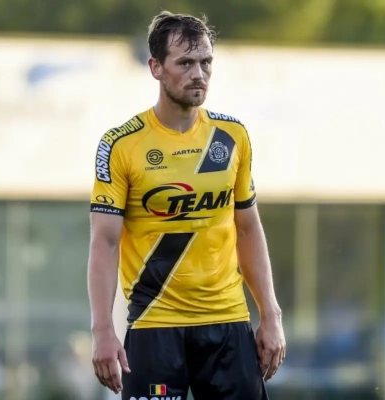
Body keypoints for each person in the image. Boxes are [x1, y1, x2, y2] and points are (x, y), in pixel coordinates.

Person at [87, 11, 285, 400]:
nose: (199, 74)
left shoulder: (230, 137)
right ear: (156, 68)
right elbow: (104, 242)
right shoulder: (121, 144)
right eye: (185, 63)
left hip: (228, 323)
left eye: (206, 62)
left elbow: (248, 228)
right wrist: (102, 330)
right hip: (155, 326)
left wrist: (270, 314)